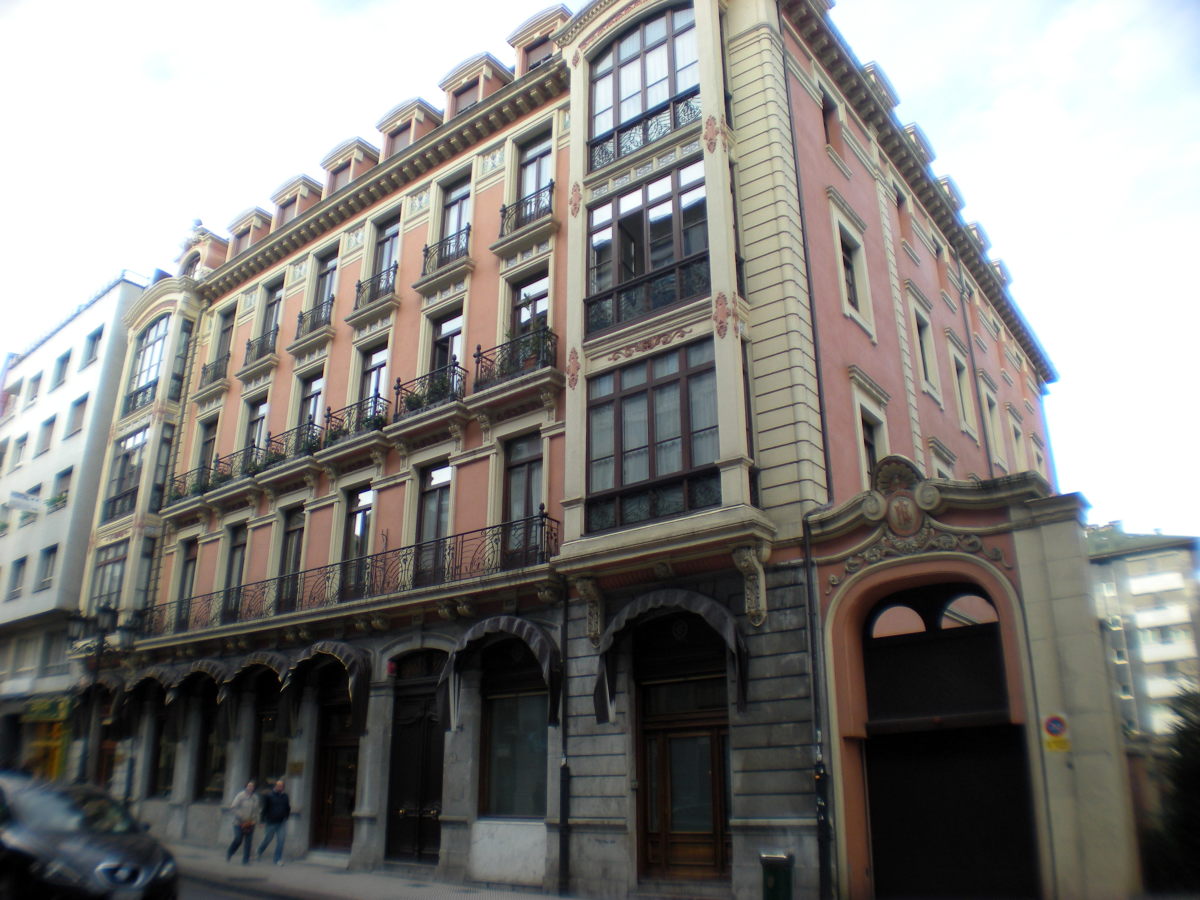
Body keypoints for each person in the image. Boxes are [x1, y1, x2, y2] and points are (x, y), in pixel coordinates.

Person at [257, 778, 292, 865]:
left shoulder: (285, 796)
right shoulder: (269, 796)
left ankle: (277, 859)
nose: (280, 787)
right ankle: (259, 851)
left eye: (281, 786)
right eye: (278, 786)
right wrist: (262, 821)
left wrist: (286, 816)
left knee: (281, 840)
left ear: (283, 787)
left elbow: (288, 807)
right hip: (271, 822)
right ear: (275, 786)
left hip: (281, 822)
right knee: (267, 839)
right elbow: (265, 809)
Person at [226, 780, 259, 864]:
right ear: (246, 787)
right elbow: (233, 807)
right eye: (249, 786)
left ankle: (245, 860)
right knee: (238, 839)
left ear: (254, 788)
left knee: (248, 842)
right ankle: (230, 852)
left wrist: (255, 820)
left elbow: (256, 811)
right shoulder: (240, 796)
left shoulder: (255, 798)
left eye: (252, 786)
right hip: (238, 822)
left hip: (250, 823)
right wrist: (241, 816)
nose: (250, 788)